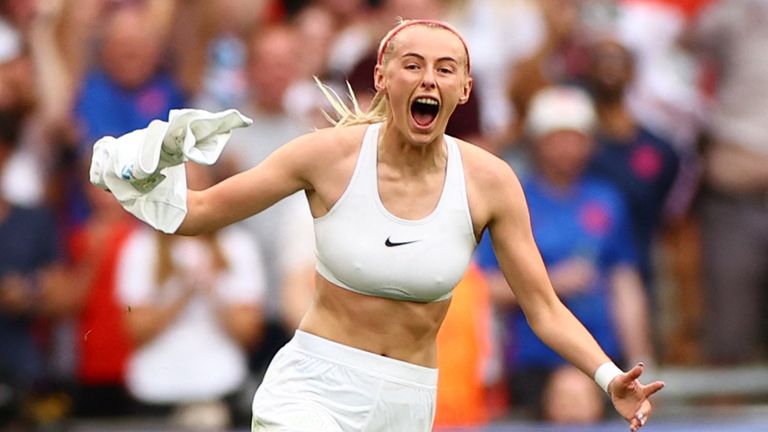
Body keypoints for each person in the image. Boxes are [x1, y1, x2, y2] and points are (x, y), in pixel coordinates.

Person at [90, 19, 664, 432]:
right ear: (384, 78)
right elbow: (198, 215)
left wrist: (607, 376)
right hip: (312, 386)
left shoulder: (490, 181)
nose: (428, 80)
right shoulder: (325, 156)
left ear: (463, 91)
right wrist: (145, 168)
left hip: (409, 402)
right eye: (412, 65)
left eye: (445, 70)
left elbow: (543, 307)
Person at [475, 86, 654, 423]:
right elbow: (480, 285)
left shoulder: (607, 200)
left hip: (602, 354)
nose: (566, 148)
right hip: (531, 358)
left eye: (575, 137)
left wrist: (640, 356)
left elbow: (624, 282)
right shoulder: (514, 197)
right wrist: (551, 284)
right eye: (556, 137)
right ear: (536, 142)